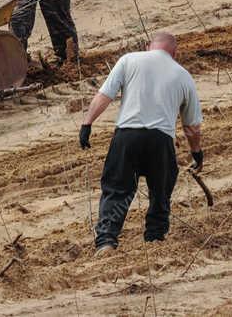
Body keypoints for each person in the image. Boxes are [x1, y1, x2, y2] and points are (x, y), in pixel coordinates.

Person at [79, 31, 203, 255]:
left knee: (117, 188)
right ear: (174, 53)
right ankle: (155, 238)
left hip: (127, 135)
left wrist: (87, 124)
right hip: (161, 139)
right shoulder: (183, 75)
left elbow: (105, 95)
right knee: (160, 190)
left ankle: (107, 240)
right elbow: (191, 127)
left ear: (148, 46)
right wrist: (197, 153)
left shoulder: (128, 60)